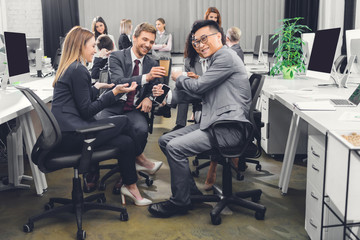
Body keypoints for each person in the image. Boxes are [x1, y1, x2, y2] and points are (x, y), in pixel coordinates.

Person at [148, 20, 251, 218]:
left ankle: (180, 202)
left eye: (204, 39)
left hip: (229, 128)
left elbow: (199, 88)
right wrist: (167, 95)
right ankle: (190, 194)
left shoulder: (225, 57)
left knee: (175, 147)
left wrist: (179, 77)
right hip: (215, 123)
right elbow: (200, 93)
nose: (200, 45)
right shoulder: (215, 59)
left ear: (219, 37)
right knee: (165, 140)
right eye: (196, 42)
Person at [51, 26, 151, 206]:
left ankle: (131, 186)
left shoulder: (70, 67)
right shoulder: (79, 70)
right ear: (80, 46)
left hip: (65, 133)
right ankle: (140, 158)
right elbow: (87, 111)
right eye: (92, 46)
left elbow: (78, 97)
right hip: (75, 135)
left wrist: (96, 87)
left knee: (126, 142)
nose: (95, 51)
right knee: (124, 121)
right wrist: (113, 94)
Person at [97, 22, 165, 174]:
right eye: (145, 39)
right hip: (112, 106)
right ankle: (92, 172)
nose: (148, 45)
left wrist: (150, 97)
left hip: (134, 108)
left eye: (152, 42)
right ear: (134, 38)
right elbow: (118, 82)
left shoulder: (152, 62)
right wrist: (146, 77)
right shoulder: (116, 56)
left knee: (141, 130)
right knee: (96, 129)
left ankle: (127, 172)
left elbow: (160, 88)